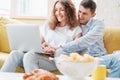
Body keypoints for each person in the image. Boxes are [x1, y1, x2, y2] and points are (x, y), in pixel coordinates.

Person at [0, 0, 82, 73]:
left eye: (62, 10)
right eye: (56, 10)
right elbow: (37, 44)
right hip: (42, 56)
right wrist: (43, 48)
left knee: (29, 56)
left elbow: (76, 51)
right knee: (15, 53)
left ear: (69, 11)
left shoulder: (76, 29)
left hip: (56, 60)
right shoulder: (48, 26)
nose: (58, 13)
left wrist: (55, 49)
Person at [55, 0, 120, 78]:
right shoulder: (73, 23)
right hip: (80, 61)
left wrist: (62, 47)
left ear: (93, 15)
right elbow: (60, 36)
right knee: (59, 52)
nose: (80, 16)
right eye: (79, 12)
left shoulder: (98, 24)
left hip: (98, 59)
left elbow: (86, 40)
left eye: (84, 13)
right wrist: (50, 46)